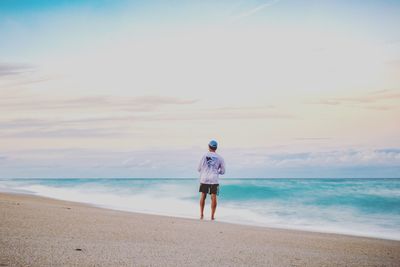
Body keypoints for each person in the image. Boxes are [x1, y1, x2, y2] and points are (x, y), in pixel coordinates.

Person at [198, 140, 226, 220]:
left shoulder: (203, 156)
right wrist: (217, 171)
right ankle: (212, 216)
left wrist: (205, 170)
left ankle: (201, 214)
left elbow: (199, 168)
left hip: (204, 178)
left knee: (203, 195)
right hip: (214, 178)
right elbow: (223, 171)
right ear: (216, 148)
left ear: (208, 146)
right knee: (213, 196)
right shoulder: (220, 157)